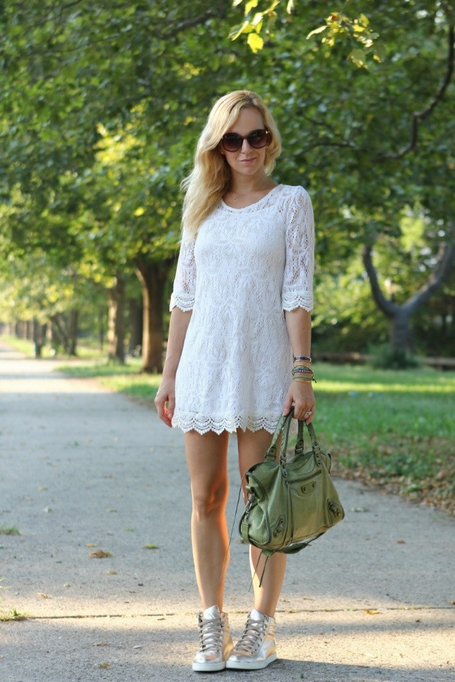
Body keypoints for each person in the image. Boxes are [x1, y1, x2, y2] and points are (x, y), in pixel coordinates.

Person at [155, 90, 315, 672]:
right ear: (217, 145)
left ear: (269, 139)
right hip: (204, 367)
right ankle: (211, 623)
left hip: (264, 368)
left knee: (262, 502)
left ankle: (261, 628)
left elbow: (297, 293)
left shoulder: (291, 202)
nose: (246, 148)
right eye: (233, 138)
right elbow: (184, 298)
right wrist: (169, 375)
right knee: (206, 498)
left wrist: (301, 372)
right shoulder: (200, 207)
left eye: (256, 136)